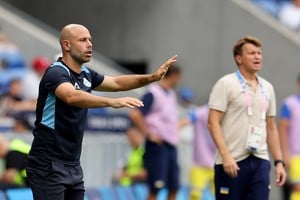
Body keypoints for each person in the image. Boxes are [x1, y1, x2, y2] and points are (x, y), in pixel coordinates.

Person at [25, 24, 177, 200]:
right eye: (83, 40)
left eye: (90, 40)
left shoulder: (86, 74)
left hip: (72, 165)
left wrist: (151, 78)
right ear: (66, 45)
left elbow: (117, 83)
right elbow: (71, 96)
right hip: (48, 163)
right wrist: (112, 102)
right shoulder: (56, 72)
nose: (89, 44)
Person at [207, 36, 286, 200]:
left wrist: (279, 162)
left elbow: (271, 126)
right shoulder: (226, 83)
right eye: (252, 53)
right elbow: (212, 122)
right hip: (231, 162)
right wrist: (226, 155)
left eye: (259, 53)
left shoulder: (268, 87)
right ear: (239, 58)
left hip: (260, 160)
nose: (257, 56)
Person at [129, 65, 181, 200]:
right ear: (174, 75)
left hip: (171, 145)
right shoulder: (153, 92)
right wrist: (148, 134)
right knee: (156, 187)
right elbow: (135, 114)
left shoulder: (171, 94)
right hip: (158, 147)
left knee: (174, 187)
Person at [181, 104, 215, 200]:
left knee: (220, 195)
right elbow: (183, 122)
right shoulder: (201, 112)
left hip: (219, 163)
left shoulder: (227, 112)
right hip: (200, 163)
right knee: (195, 195)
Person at [279, 74, 300, 200]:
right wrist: (284, 154)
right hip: (295, 155)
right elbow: (282, 129)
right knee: (296, 190)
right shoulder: (289, 104)